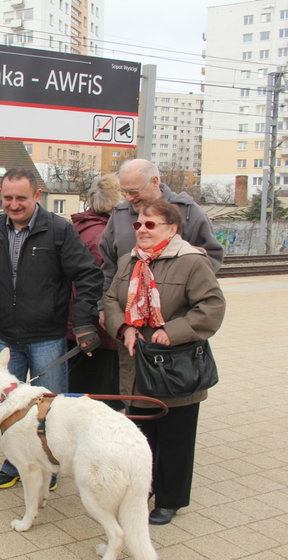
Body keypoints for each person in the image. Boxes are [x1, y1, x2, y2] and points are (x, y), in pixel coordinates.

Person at [0, 168, 102, 491]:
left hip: (47, 335)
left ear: (37, 195)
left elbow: (89, 276)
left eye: (21, 197)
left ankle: (49, 465)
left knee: (49, 408)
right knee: (5, 406)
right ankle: (14, 462)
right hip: (4, 335)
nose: (14, 204)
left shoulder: (59, 230)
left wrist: (83, 320)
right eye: (7, 197)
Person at [104, 199, 225, 526]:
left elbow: (211, 307)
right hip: (136, 365)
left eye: (150, 224)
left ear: (171, 229)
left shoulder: (191, 262)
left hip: (176, 365)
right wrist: (124, 327)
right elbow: (111, 301)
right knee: (141, 436)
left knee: (175, 438)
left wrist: (173, 331)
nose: (141, 230)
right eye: (138, 225)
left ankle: (170, 499)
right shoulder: (130, 261)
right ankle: (143, 489)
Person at [99, 158, 224, 295]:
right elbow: (108, 268)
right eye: (125, 192)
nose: (128, 198)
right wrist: (104, 305)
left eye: (134, 192)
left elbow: (210, 259)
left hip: (174, 312)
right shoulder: (119, 215)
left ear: (155, 182)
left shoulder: (190, 214)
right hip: (127, 311)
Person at [67, 174, 123, 398]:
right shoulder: (103, 235)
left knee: (78, 390)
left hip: (75, 322)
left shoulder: (81, 227)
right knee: (98, 397)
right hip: (96, 329)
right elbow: (101, 285)